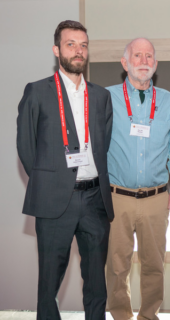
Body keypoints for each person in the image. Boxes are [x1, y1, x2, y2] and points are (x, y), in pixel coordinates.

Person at [16, 20, 114, 320]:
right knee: (48, 286)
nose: (78, 51)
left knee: (97, 284)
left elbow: (103, 145)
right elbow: (26, 148)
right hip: (54, 201)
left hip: (95, 200)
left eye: (83, 45)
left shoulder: (100, 96)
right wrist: (52, 182)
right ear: (57, 49)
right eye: (71, 44)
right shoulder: (37, 92)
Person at [106, 38, 170, 320]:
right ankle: (121, 316)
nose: (143, 61)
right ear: (125, 63)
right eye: (137, 55)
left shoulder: (169, 101)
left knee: (154, 265)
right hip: (117, 198)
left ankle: (149, 316)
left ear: (156, 64)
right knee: (117, 266)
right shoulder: (107, 97)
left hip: (156, 199)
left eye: (149, 56)